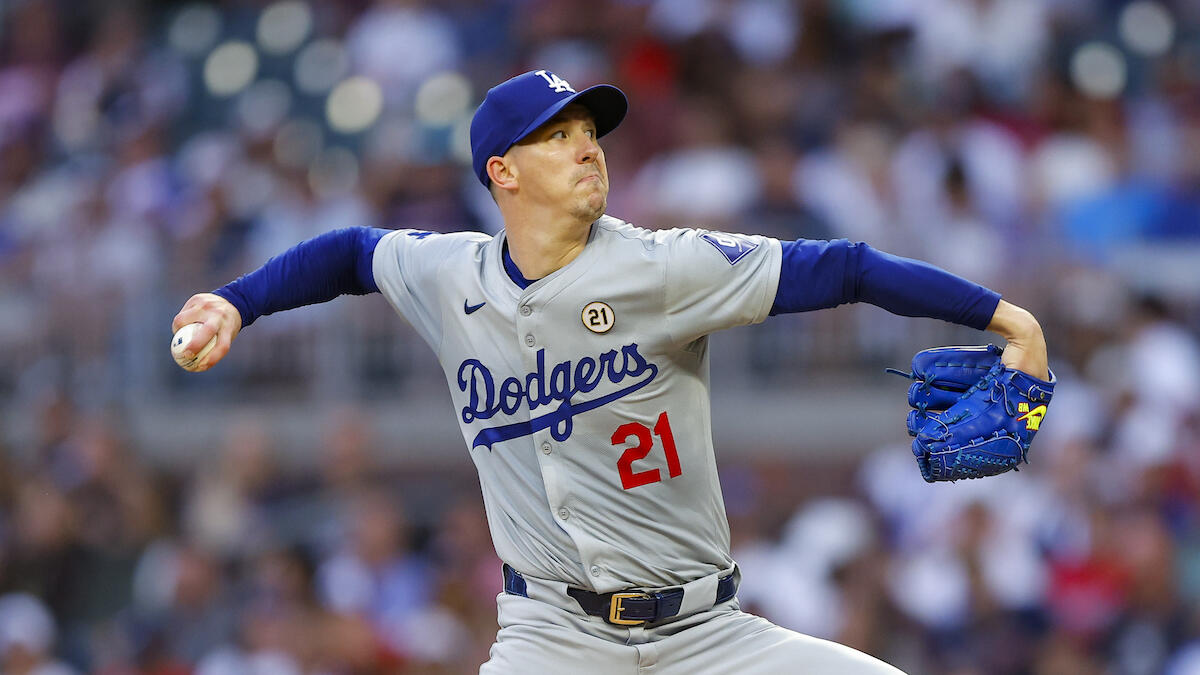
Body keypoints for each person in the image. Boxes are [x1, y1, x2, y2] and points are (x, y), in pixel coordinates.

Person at [172, 69, 1049, 674]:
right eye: (558, 136)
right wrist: (236, 302)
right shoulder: (450, 276)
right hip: (551, 636)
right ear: (503, 172)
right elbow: (349, 252)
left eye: (590, 132)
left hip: (707, 635)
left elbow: (846, 267)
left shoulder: (663, 267)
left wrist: (1008, 318)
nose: (587, 147)